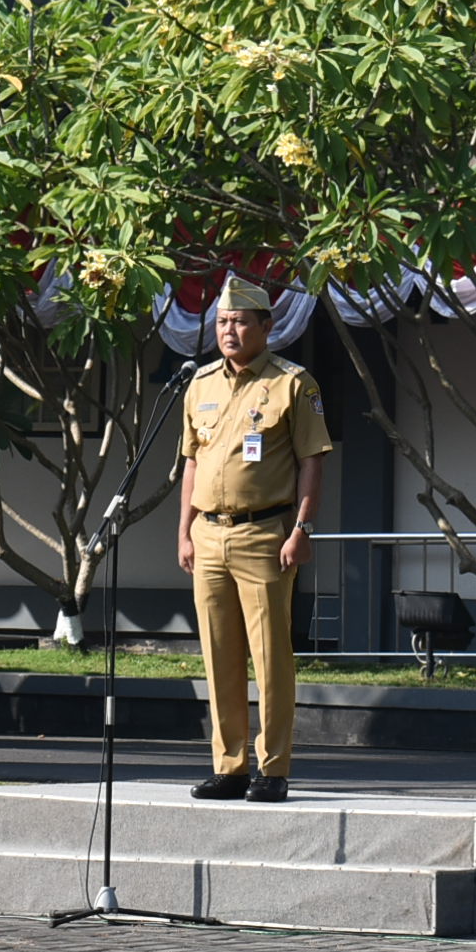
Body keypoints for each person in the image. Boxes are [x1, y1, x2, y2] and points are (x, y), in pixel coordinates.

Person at [178, 277, 331, 803]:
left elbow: (312, 460)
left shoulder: (293, 383)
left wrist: (302, 529)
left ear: (267, 326)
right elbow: (192, 463)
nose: (230, 330)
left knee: (270, 657)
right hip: (208, 533)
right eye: (222, 322)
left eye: (241, 321)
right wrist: (185, 532)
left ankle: (273, 766)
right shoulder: (199, 384)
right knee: (219, 655)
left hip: (266, 533)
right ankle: (230, 765)